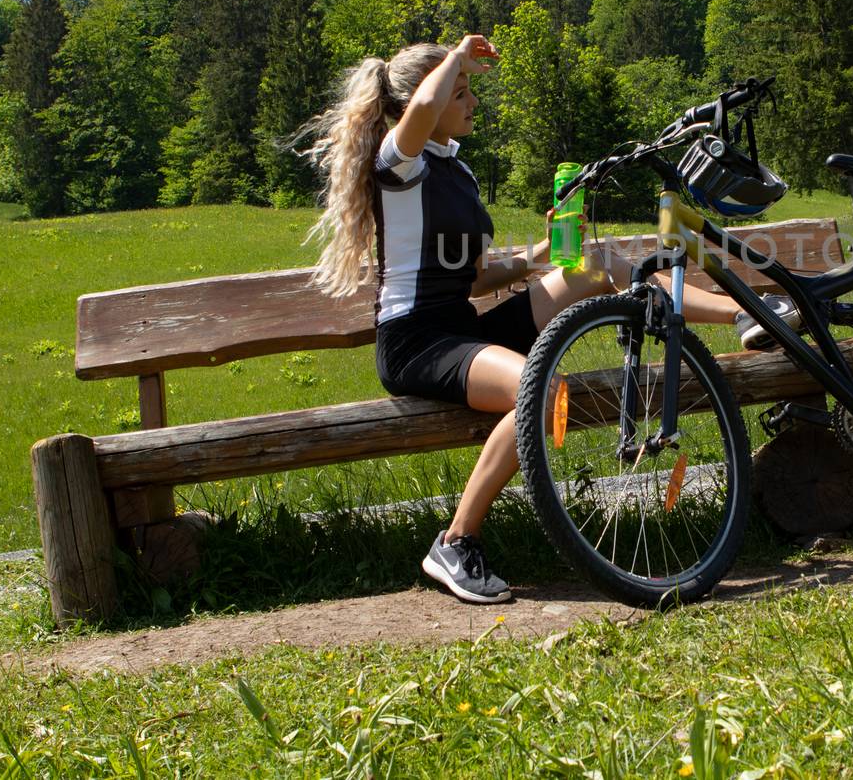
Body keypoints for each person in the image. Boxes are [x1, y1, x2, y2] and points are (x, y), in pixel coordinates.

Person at [300, 36, 801, 603]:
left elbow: (470, 278)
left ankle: (748, 315)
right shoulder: (400, 164)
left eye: (468, 91)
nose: (471, 103)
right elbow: (416, 115)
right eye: (459, 92)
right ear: (427, 100)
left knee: (596, 264)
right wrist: (456, 57)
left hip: (462, 326)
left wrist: (543, 250)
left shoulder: (454, 170)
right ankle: (456, 541)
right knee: (541, 389)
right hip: (419, 342)